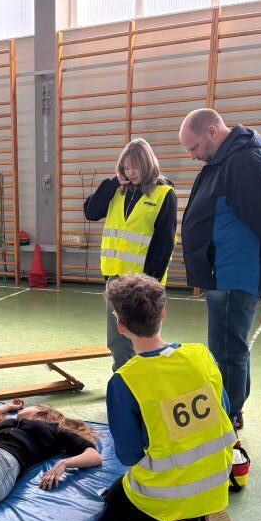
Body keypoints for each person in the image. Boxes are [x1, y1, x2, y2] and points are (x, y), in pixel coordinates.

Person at [104, 273, 243, 521]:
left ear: (121, 325)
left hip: (166, 488)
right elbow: (225, 409)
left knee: (116, 497)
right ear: (163, 314)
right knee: (184, 491)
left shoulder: (125, 381)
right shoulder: (200, 355)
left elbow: (128, 454)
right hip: (217, 478)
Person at [179, 109, 261, 430]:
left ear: (212, 131)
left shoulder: (243, 161)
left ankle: (228, 415)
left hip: (234, 271)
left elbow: (259, 215)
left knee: (228, 351)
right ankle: (231, 408)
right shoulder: (229, 158)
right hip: (226, 271)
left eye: (194, 147)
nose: (192, 155)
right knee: (229, 348)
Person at [83, 138, 177, 370]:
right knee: (118, 339)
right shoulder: (116, 190)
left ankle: (146, 380)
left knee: (144, 338)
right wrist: (113, 182)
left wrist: (150, 282)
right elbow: (91, 212)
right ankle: (123, 379)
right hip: (115, 279)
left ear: (147, 164)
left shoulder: (164, 193)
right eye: (126, 167)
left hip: (145, 281)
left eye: (135, 167)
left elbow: (164, 242)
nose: (131, 172)